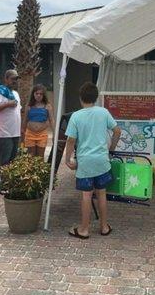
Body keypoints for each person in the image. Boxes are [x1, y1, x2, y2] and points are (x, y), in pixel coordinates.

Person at [65, 82, 121, 239]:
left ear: (80, 98)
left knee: (86, 196)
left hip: (85, 162)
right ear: (96, 98)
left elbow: (70, 140)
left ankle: (83, 229)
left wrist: (67, 159)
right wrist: (111, 148)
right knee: (102, 194)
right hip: (102, 161)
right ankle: (104, 227)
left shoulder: (76, 116)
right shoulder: (103, 112)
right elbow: (117, 131)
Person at [0, 70, 22, 187]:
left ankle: (11, 183)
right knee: (5, 161)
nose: (15, 81)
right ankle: (4, 185)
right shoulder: (0, 93)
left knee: (13, 160)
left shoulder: (15, 93)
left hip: (15, 133)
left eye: (16, 79)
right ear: (6, 79)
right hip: (4, 134)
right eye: (13, 79)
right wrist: (7, 104)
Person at [22, 84, 54, 159]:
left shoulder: (48, 106)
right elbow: (25, 120)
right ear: (33, 94)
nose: (39, 95)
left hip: (42, 134)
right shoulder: (28, 106)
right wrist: (22, 132)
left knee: (40, 157)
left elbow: (52, 120)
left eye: (41, 94)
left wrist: (54, 134)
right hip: (30, 134)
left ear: (44, 95)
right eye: (37, 93)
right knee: (30, 158)